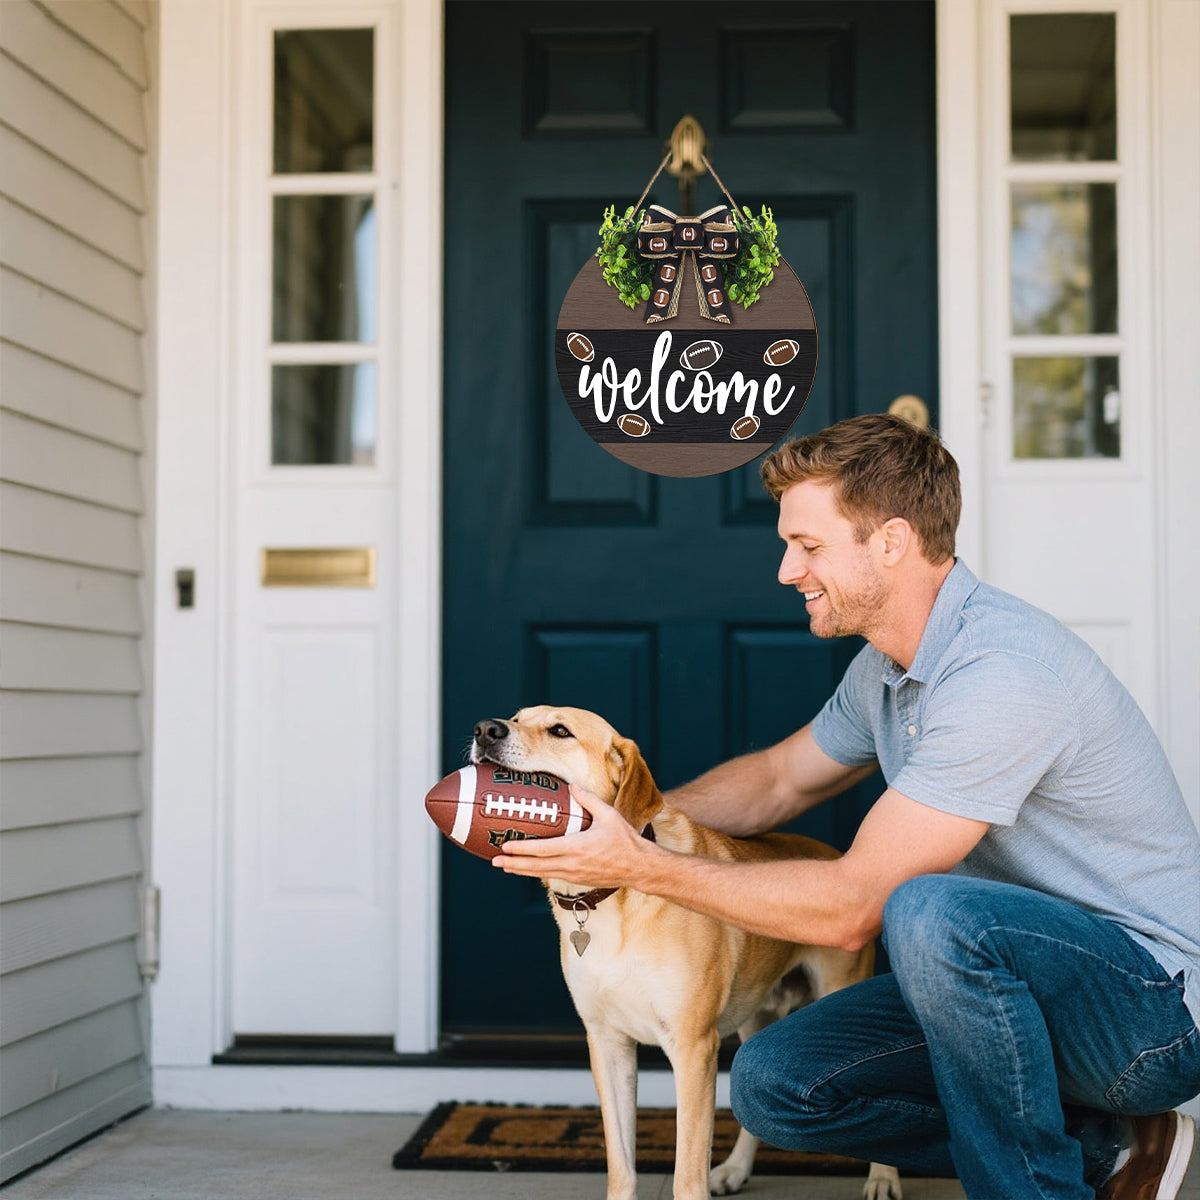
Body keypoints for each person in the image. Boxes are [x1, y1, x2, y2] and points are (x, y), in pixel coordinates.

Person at [493, 413, 1200, 1199]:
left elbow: (854, 908)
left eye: (809, 546)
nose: (787, 571)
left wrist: (641, 864)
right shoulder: (886, 669)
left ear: (891, 542)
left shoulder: (1002, 674)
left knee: (929, 912)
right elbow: (776, 783)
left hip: (1148, 1012)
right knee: (774, 1081)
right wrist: (632, 822)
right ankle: (1107, 1149)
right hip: (1019, 995)